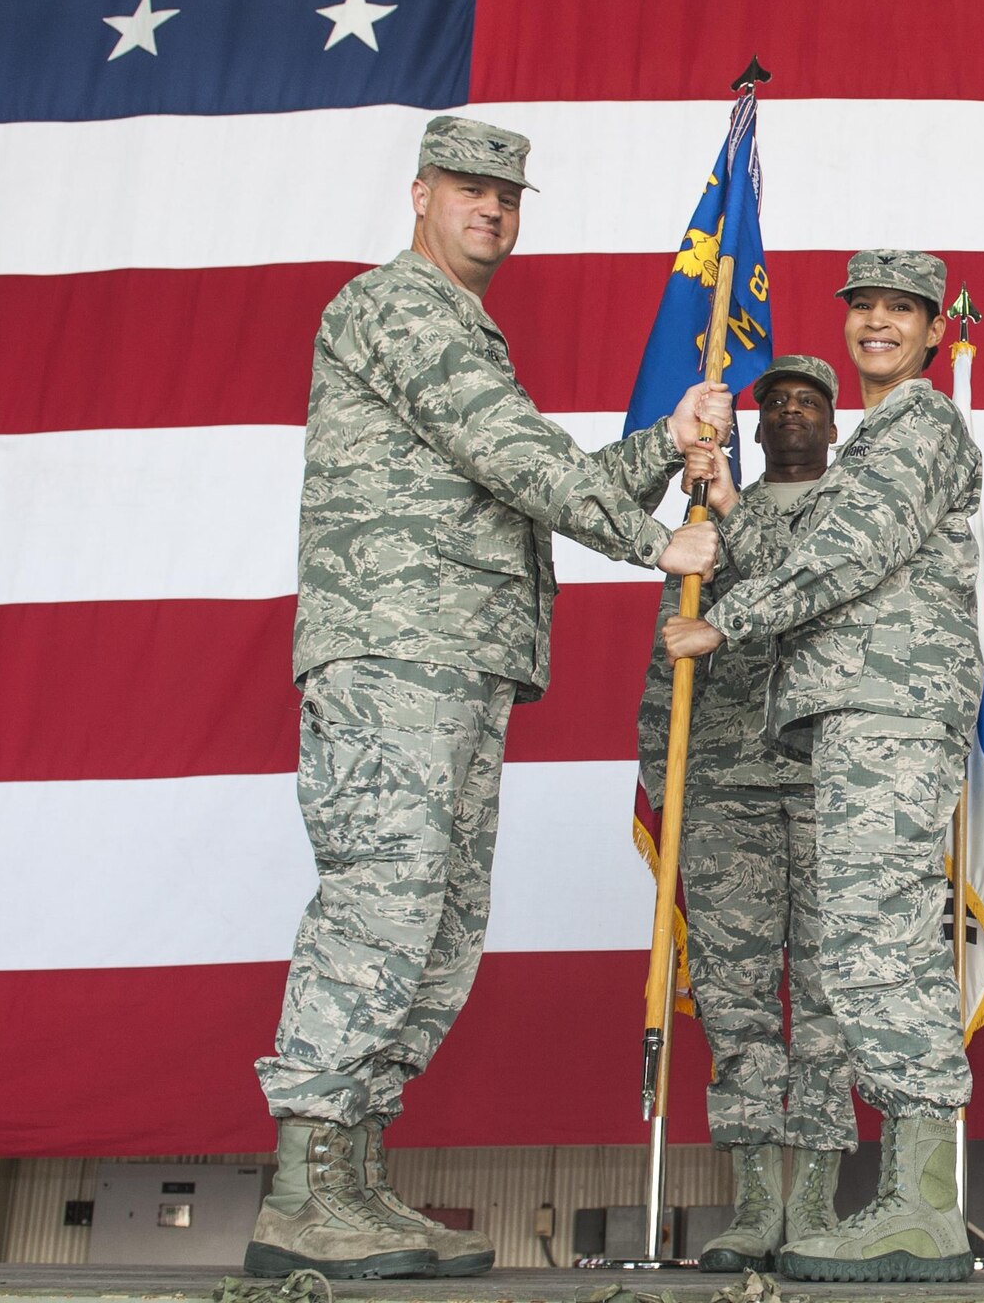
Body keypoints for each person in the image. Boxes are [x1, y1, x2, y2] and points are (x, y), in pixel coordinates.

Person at [246, 116, 727, 1281]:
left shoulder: (468, 331)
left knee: (440, 919)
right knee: (386, 900)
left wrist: (667, 440)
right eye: (469, 190)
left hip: (454, 661)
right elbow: (515, 456)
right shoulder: (397, 307)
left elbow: (521, 471)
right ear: (419, 195)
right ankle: (303, 1188)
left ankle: (352, 1175)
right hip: (394, 653)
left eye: (509, 197)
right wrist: (656, 539)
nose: (492, 211)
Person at [664, 250, 983, 1284]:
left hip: (889, 705)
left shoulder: (919, 426)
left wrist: (729, 620)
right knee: (863, 939)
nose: (878, 323)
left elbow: (847, 550)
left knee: (875, 937)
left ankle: (921, 1204)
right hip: (857, 711)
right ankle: (906, 1196)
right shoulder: (881, 434)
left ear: (933, 331)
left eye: (901, 310)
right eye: (865, 308)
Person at [637, 355, 851, 1272]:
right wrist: (669, 788)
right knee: (734, 1000)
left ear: (834, 428)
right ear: (755, 431)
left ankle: (817, 1206)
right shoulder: (707, 525)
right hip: (726, 788)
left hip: (835, 783)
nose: (793, 414)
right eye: (777, 406)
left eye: (811, 403)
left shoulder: (858, 518)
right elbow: (667, 670)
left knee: (833, 995)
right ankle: (757, 1203)